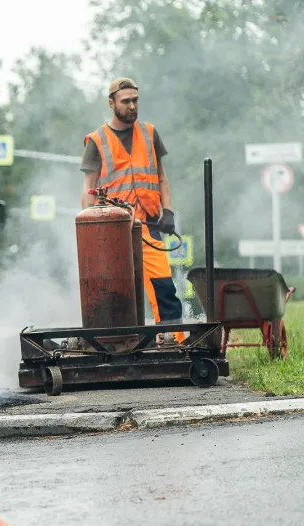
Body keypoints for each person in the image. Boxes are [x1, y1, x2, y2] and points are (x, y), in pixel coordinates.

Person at [80, 77, 185, 340]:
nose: (132, 106)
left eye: (135, 100)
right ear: (111, 103)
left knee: (164, 289)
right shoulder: (97, 140)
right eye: (126, 101)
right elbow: (87, 189)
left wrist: (168, 210)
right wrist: (92, 232)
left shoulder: (149, 133)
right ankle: (115, 346)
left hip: (148, 227)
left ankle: (177, 345)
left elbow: (161, 177)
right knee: (114, 295)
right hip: (113, 232)